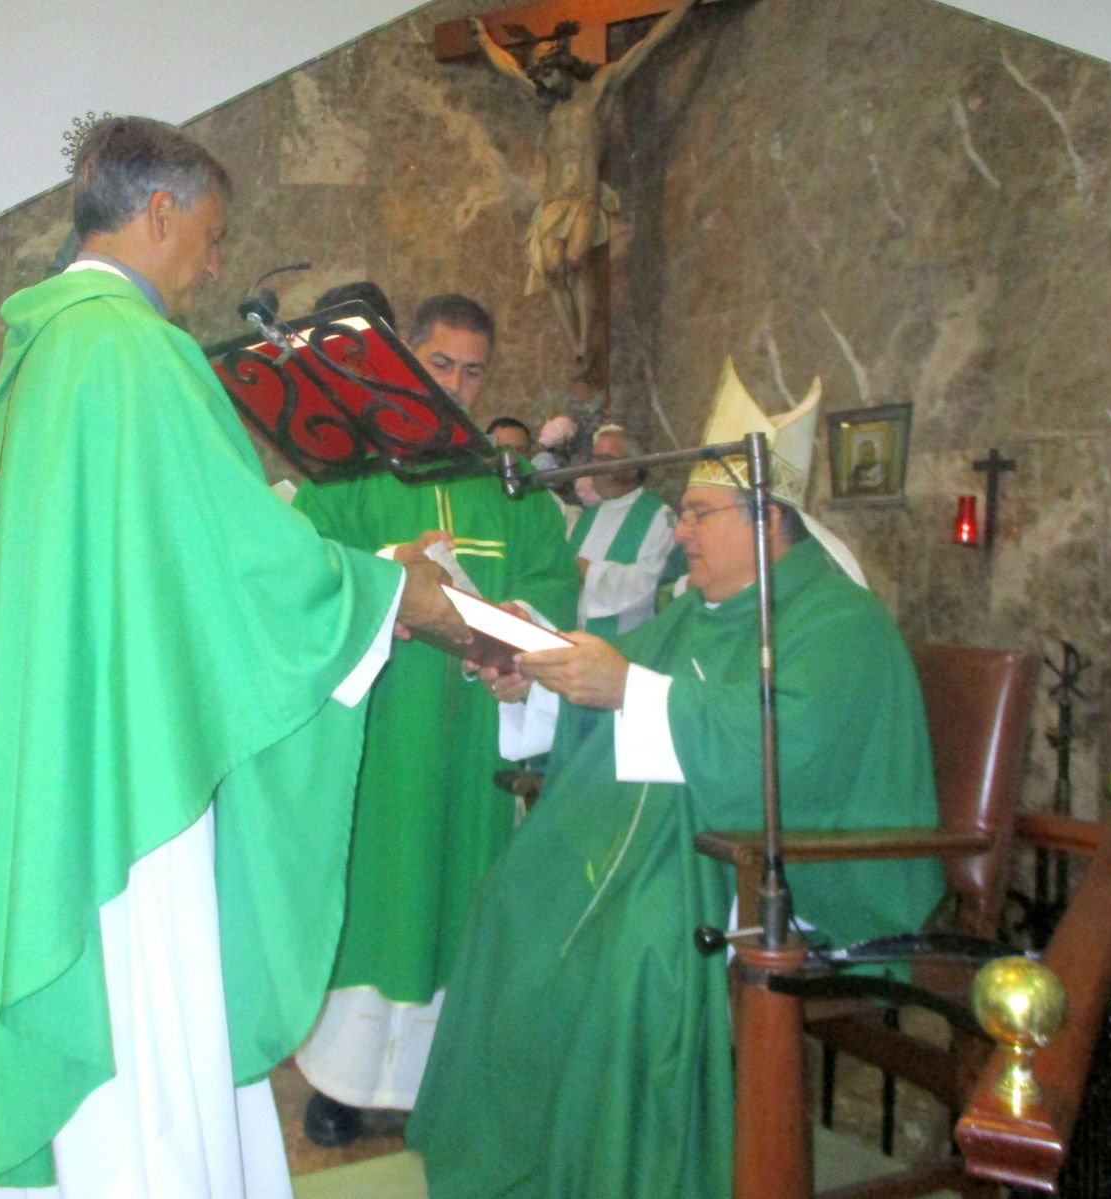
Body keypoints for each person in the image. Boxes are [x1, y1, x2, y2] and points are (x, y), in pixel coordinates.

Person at [0, 115, 467, 1198]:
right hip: (129, 767)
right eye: (207, 235)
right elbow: (234, 559)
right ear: (157, 213)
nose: (209, 264)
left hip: (67, 740)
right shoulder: (136, 350)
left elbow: (169, 551)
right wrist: (392, 594)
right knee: (145, 1000)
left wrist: (365, 563)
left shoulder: (48, 347)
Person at [406, 357, 940, 1198]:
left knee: (639, 946)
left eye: (698, 513)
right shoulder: (695, 610)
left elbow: (791, 748)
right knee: (513, 899)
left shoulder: (840, 619)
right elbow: (616, 700)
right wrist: (539, 673)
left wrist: (623, 686)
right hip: (682, 842)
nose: (680, 531)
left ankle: (627, 1171)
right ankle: (546, 1162)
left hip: (802, 870)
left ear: (767, 521)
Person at [292, 293, 580, 1146]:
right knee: (377, 893)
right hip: (383, 741)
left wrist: (511, 636)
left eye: (472, 369)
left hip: (473, 743)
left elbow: (555, 589)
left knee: (467, 894)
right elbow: (302, 581)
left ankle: (445, 1079)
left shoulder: (514, 488)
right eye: (440, 363)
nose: (454, 382)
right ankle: (344, 1081)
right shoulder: (345, 477)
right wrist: (390, 573)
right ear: (407, 364)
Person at [470, 0, 697, 373]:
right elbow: (510, 72)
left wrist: (683, 8)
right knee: (553, 268)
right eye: (538, 75)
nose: (542, 82)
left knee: (576, 259)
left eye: (546, 72)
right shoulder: (549, 108)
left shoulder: (598, 92)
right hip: (554, 201)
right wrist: (482, 38)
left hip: (586, 197)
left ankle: (585, 339)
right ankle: (576, 340)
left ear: (564, 66)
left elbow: (647, 46)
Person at [569, 423, 676, 636]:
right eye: (594, 460)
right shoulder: (584, 519)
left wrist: (589, 571)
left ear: (634, 466)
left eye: (606, 460)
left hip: (631, 637)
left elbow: (652, 583)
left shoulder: (659, 516)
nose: (596, 468)